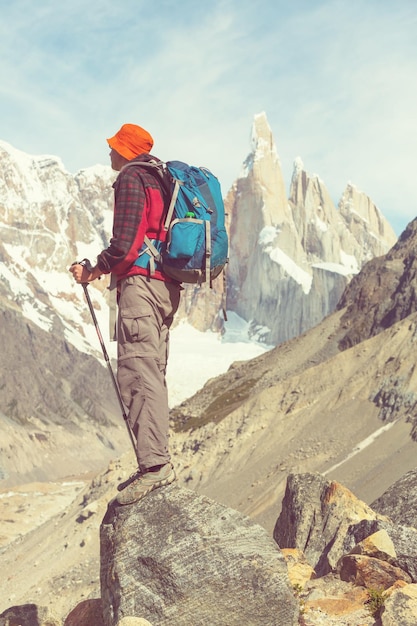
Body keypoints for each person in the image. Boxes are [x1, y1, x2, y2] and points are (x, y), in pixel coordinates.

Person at [70, 123, 181, 505]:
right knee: (154, 371)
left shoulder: (133, 178)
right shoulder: (162, 179)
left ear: (127, 151)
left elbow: (126, 245)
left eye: (115, 147)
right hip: (166, 288)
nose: (110, 153)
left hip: (141, 287)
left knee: (137, 369)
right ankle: (155, 460)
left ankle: (154, 467)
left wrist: (94, 269)